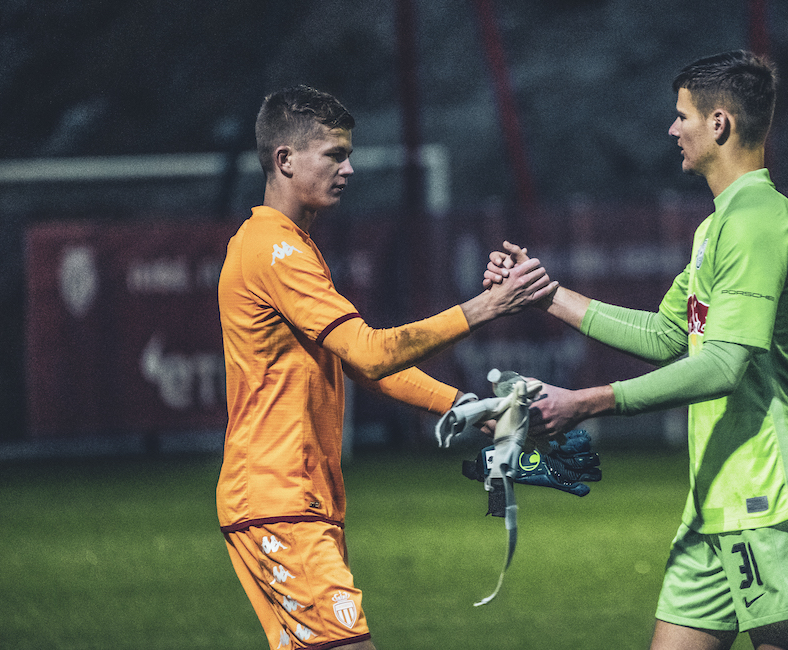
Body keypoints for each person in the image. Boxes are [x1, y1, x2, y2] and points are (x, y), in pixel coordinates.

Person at [485, 51, 788, 650]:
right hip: (714, 501)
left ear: (719, 124)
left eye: (682, 116)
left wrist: (587, 402)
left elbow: (724, 365)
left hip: (768, 496)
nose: (673, 129)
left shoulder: (756, 221)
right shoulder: (717, 226)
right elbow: (665, 335)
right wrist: (544, 294)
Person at [216, 85, 556, 650]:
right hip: (280, 500)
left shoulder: (286, 245)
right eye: (334, 155)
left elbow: (359, 363)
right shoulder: (276, 251)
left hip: (293, 499)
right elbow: (371, 351)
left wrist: (463, 406)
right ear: (285, 159)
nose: (349, 169)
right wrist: (485, 307)